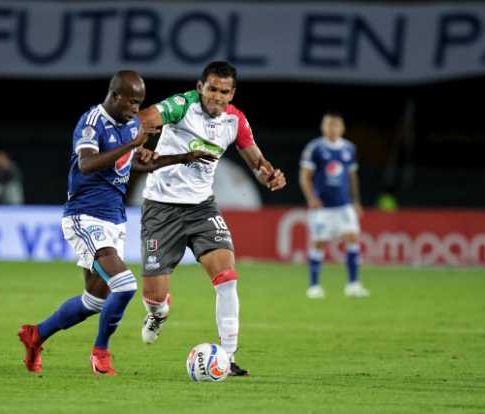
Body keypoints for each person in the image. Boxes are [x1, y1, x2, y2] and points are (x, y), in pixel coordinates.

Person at [17, 71, 216, 376]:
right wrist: (132, 144)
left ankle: (36, 335)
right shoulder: (92, 122)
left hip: (114, 219)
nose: (136, 108)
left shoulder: (131, 124)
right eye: (132, 101)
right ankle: (101, 353)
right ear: (115, 95)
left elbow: (134, 163)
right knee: (124, 285)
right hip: (84, 215)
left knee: (94, 301)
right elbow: (86, 164)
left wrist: (181, 158)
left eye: (140, 102)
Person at [137, 61, 286, 377]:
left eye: (224, 91)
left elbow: (256, 161)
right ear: (200, 86)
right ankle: (157, 312)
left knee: (227, 278)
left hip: (202, 208)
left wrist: (269, 175)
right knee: (154, 294)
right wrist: (143, 143)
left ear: (232, 93)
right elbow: (146, 117)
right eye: (212, 89)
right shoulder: (182, 105)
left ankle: (228, 359)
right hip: (161, 208)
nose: (217, 96)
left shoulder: (236, 121)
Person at [299, 112, 369, 299]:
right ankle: (314, 286)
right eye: (329, 125)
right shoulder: (315, 148)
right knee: (319, 243)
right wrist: (311, 198)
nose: (332, 129)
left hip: (344, 205)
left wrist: (356, 201)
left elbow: (352, 176)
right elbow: (304, 176)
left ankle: (353, 284)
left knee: (353, 238)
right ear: (323, 128)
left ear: (342, 128)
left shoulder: (349, 149)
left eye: (336, 125)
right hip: (322, 207)